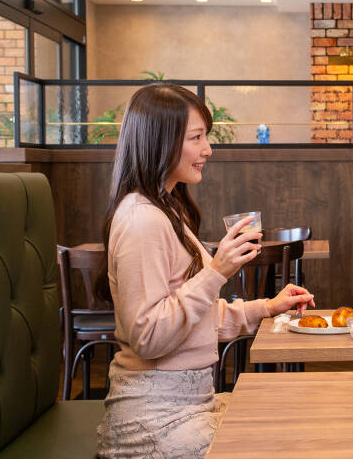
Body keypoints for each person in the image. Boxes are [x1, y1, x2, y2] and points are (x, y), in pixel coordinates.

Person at [94, 83, 315, 458]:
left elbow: (195, 319)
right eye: (197, 138)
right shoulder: (142, 220)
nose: (208, 150)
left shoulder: (166, 210)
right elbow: (149, 336)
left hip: (190, 406)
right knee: (289, 441)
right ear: (160, 142)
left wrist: (266, 308)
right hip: (155, 419)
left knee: (291, 419)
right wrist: (216, 271)